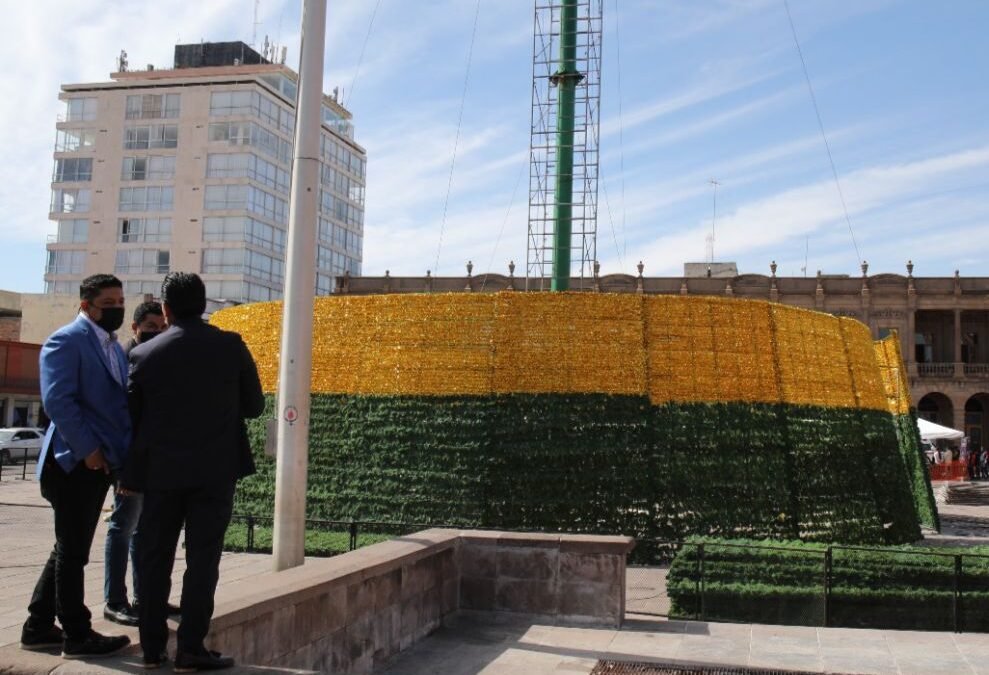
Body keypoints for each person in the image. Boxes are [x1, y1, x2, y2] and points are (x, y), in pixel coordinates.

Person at [121, 273, 264, 671]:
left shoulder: (144, 355)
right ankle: (190, 648)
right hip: (215, 473)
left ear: (165, 310)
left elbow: (132, 420)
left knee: (155, 558)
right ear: (203, 305)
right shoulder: (231, 346)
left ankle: (152, 649)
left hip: (160, 474)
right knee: (203, 560)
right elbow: (254, 407)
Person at [21, 274, 132, 658]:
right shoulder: (65, 341)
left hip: (100, 463)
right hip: (71, 463)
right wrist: (88, 450)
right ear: (86, 305)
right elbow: (58, 402)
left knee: (68, 547)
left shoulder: (114, 347)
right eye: (109, 304)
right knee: (73, 552)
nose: (117, 309)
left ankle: (37, 627)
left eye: (121, 302)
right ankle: (77, 634)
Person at [103, 300, 171, 626]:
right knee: (123, 527)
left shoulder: (157, 357)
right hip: (130, 459)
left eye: (162, 327)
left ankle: (145, 597)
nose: (156, 333)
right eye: (150, 327)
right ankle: (115, 600)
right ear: (135, 327)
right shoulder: (124, 357)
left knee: (143, 532)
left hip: (152, 459)